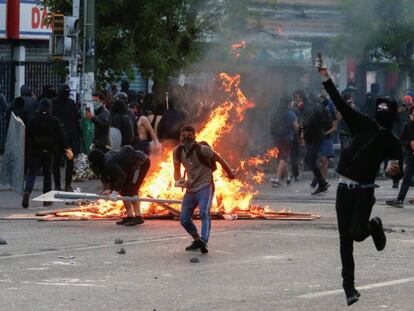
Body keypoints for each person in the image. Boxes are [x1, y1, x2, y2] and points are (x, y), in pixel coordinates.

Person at [316, 54, 402, 306]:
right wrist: (325, 76)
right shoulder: (362, 124)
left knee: (356, 234)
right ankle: (349, 288)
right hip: (344, 188)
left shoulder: (392, 143)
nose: (382, 112)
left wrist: (394, 171)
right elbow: (340, 104)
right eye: (380, 108)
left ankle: (373, 225)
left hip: (364, 191)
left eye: (386, 110)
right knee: (345, 241)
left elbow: (396, 168)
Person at [173, 126, 236, 254]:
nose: (186, 138)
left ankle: (204, 240)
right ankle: (197, 240)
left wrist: (230, 173)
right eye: (183, 135)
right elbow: (176, 172)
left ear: (194, 137)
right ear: (180, 138)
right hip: (190, 189)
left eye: (189, 135)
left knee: (203, 213)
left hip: (205, 186)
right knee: (184, 219)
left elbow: (219, 159)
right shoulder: (177, 152)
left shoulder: (202, 149)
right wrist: (179, 181)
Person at [22, 98, 73, 208]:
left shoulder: (33, 120)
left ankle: (27, 192)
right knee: (47, 175)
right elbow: (61, 135)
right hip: (49, 151)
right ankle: (46, 200)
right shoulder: (54, 120)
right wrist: (67, 148)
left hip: (35, 151)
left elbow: (26, 136)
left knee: (32, 173)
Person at [88, 145, 150, 226]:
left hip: (140, 162)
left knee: (132, 189)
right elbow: (115, 177)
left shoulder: (109, 162)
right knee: (124, 190)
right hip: (130, 166)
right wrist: (110, 189)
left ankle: (138, 216)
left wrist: (114, 192)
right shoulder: (106, 162)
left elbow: (121, 177)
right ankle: (130, 216)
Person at [52, 84, 81, 192]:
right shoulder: (68, 103)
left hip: (64, 140)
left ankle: (60, 185)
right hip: (64, 140)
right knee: (63, 162)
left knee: (62, 162)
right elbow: (76, 119)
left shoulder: (68, 103)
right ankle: (63, 185)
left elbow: (75, 119)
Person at [302, 93, 330, 195]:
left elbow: (313, 123)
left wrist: (319, 130)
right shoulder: (315, 109)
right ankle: (321, 181)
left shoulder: (316, 109)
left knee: (311, 160)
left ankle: (322, 184)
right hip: (312, 138)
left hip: (315, 138)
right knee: (309, 159)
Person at [386, 106, 414, 208]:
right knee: (406, 179)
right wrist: (409, 143)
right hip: (411, 157)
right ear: (411, 114)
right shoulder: (407, 126)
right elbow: (402, 141)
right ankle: (400, 199)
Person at [270, 96, 298, 187]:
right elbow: (296, 127)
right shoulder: (291, 114)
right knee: (283, 159)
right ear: (289, 104)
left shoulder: (275, 113)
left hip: (277, 139)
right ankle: (277, 179)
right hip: (287, 139)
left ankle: (288, 177)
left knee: (282, 157)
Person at [319, 95, 337, 182]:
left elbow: (334, 127)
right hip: (318, 139)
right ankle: (319, 178)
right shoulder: (317, 113)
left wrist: (326, 133)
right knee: (321, 160)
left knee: (325, 160)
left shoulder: (332, 113)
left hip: (327, 139)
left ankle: (323, 179)